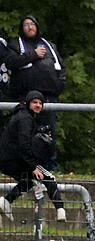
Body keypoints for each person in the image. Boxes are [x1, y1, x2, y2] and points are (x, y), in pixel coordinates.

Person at [6, 15, 66, 170]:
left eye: (32, 24)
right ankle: (26, 166)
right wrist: (33, 54)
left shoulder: (49, 46)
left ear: (37, 26)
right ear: (22, 28)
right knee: (25, 132)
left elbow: (61, 69)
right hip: (25, 97)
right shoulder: (15, 45)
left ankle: (50, 168)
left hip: (48, 98)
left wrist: (59, 86)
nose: (29, 27)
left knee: (49, 132)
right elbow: (11, 62)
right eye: (26, 24)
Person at [0, 90, 64, 223]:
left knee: (28, 181)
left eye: (40, 103)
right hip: (15, 159)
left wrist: (40, 133)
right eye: (35, 102)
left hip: (8, 160)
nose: (38, 105)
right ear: (28, 103)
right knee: (49, 177)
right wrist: (33, 166)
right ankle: (60, 210)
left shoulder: (24, 116)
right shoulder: (25, 118)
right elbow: (24, 144)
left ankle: (6, 201)